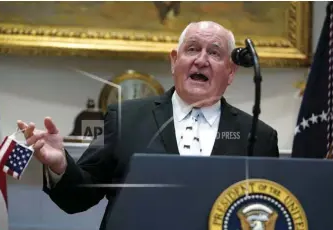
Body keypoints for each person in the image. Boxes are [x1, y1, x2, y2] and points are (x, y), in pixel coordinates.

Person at [17, 21, 279, 230]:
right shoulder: (126, 118)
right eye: (192, 49)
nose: (201, 60)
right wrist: (60, 164)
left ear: (231, 71)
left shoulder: (258, 137)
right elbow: (78, 198)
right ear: (174, 60)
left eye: (214, 52)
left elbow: (266, 213)